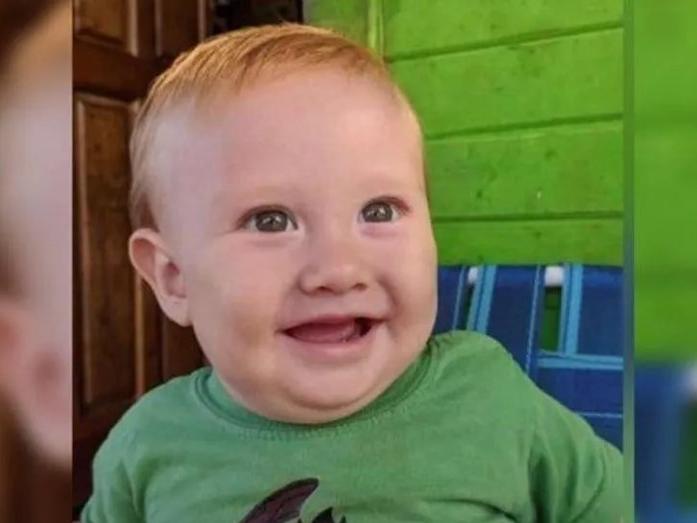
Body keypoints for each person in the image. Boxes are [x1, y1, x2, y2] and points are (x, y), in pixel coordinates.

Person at [82, 23, 622, 522]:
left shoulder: (489, 397)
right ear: (173, 277)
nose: (338, 270)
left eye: (379, 211)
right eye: (270, 221)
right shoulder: (146, 449)